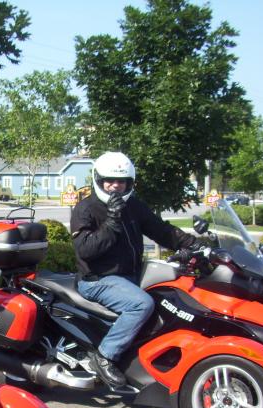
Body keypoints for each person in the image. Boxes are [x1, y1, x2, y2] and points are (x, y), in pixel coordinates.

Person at [70, 151, 200, 388]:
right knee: (141, 304)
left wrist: (193, 244)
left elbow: (161, 230)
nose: (115, 186)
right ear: (98, 180)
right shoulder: (85, 208)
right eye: (109, 180)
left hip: (129, 277)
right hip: (98, 279)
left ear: (129, 183)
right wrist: (111, 221)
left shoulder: (134, 206)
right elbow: (85, 250)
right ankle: (105, 356)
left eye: (121, 181)